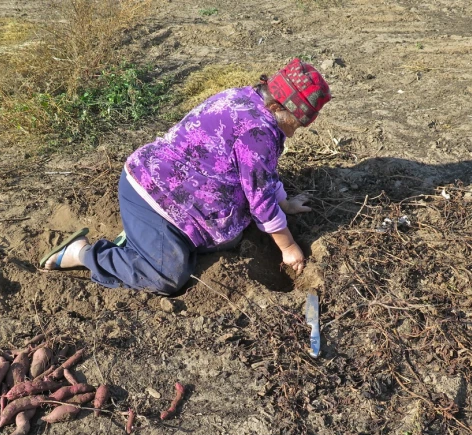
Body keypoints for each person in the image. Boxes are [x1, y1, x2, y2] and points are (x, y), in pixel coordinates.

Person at [39, 58, 331, 295]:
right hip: (152, 194)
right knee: (168, 276)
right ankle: (86, 254)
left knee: (230, 237)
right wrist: (289, 247)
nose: (297, 129)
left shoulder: (245, 98)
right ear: (277, 106)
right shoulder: (259, 131)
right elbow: (260, 201)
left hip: (180, 193)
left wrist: (285, 203)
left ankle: (144, 239)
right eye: (296, 122)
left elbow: (261, 174)